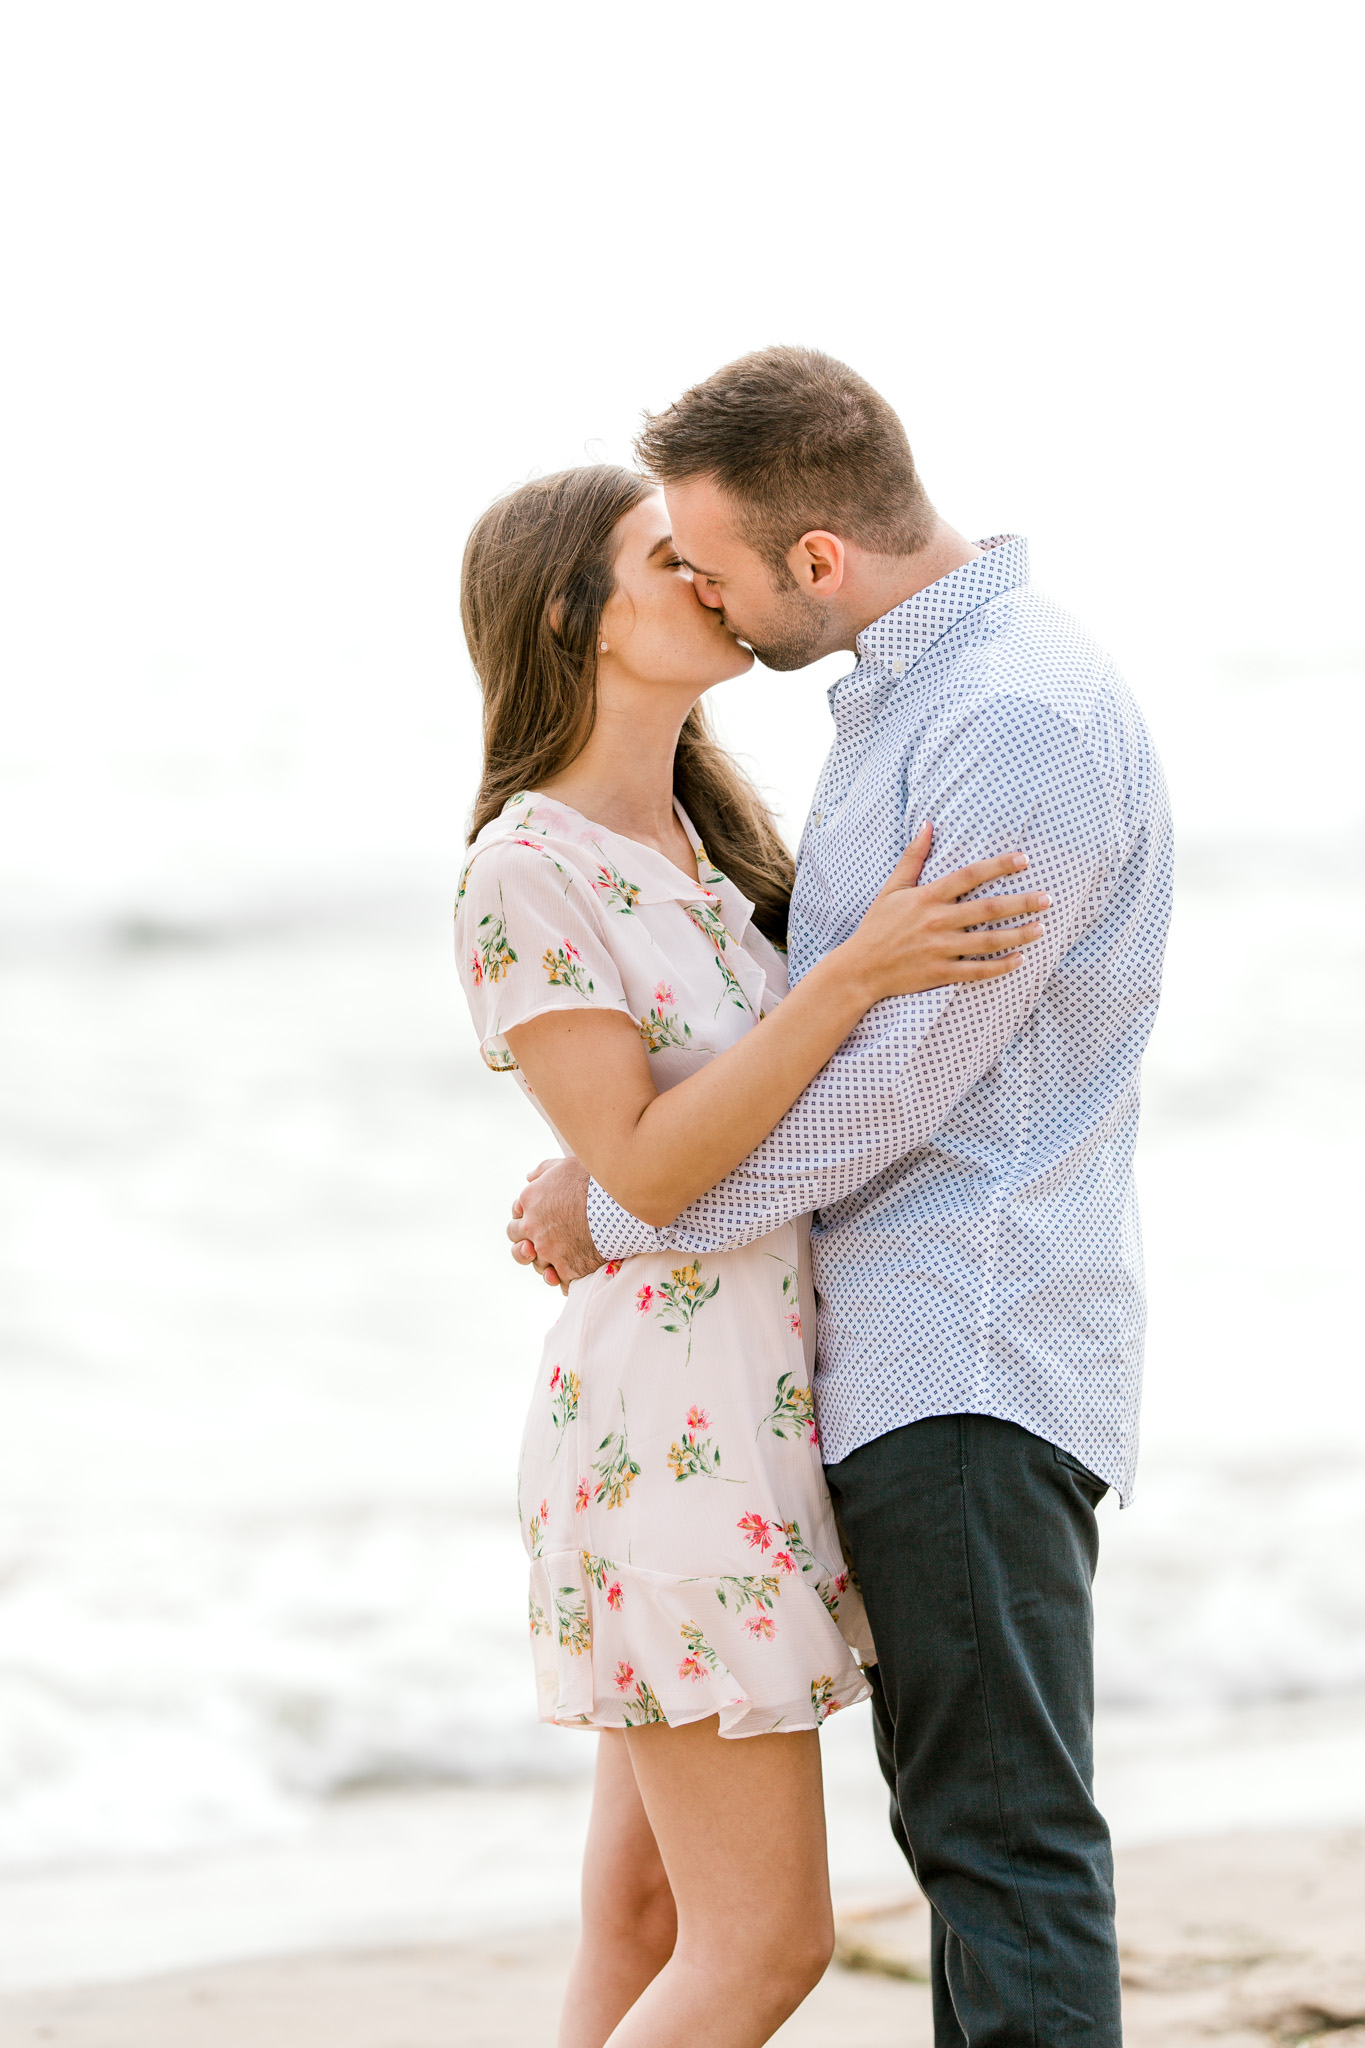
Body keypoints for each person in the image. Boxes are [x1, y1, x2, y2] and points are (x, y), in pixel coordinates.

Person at [507, 347, 1174, 2047]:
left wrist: (622, 1206)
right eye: (670, 574)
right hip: (822, 1377)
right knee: (831, 1872)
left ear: (817, 558)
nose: (709, 604)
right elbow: (760, 1048)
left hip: (958, 1346)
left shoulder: (1008, 719)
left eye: (709, 565)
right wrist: (616, 1166)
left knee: (997, 1843)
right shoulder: (902, 706)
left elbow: (895, 1087)